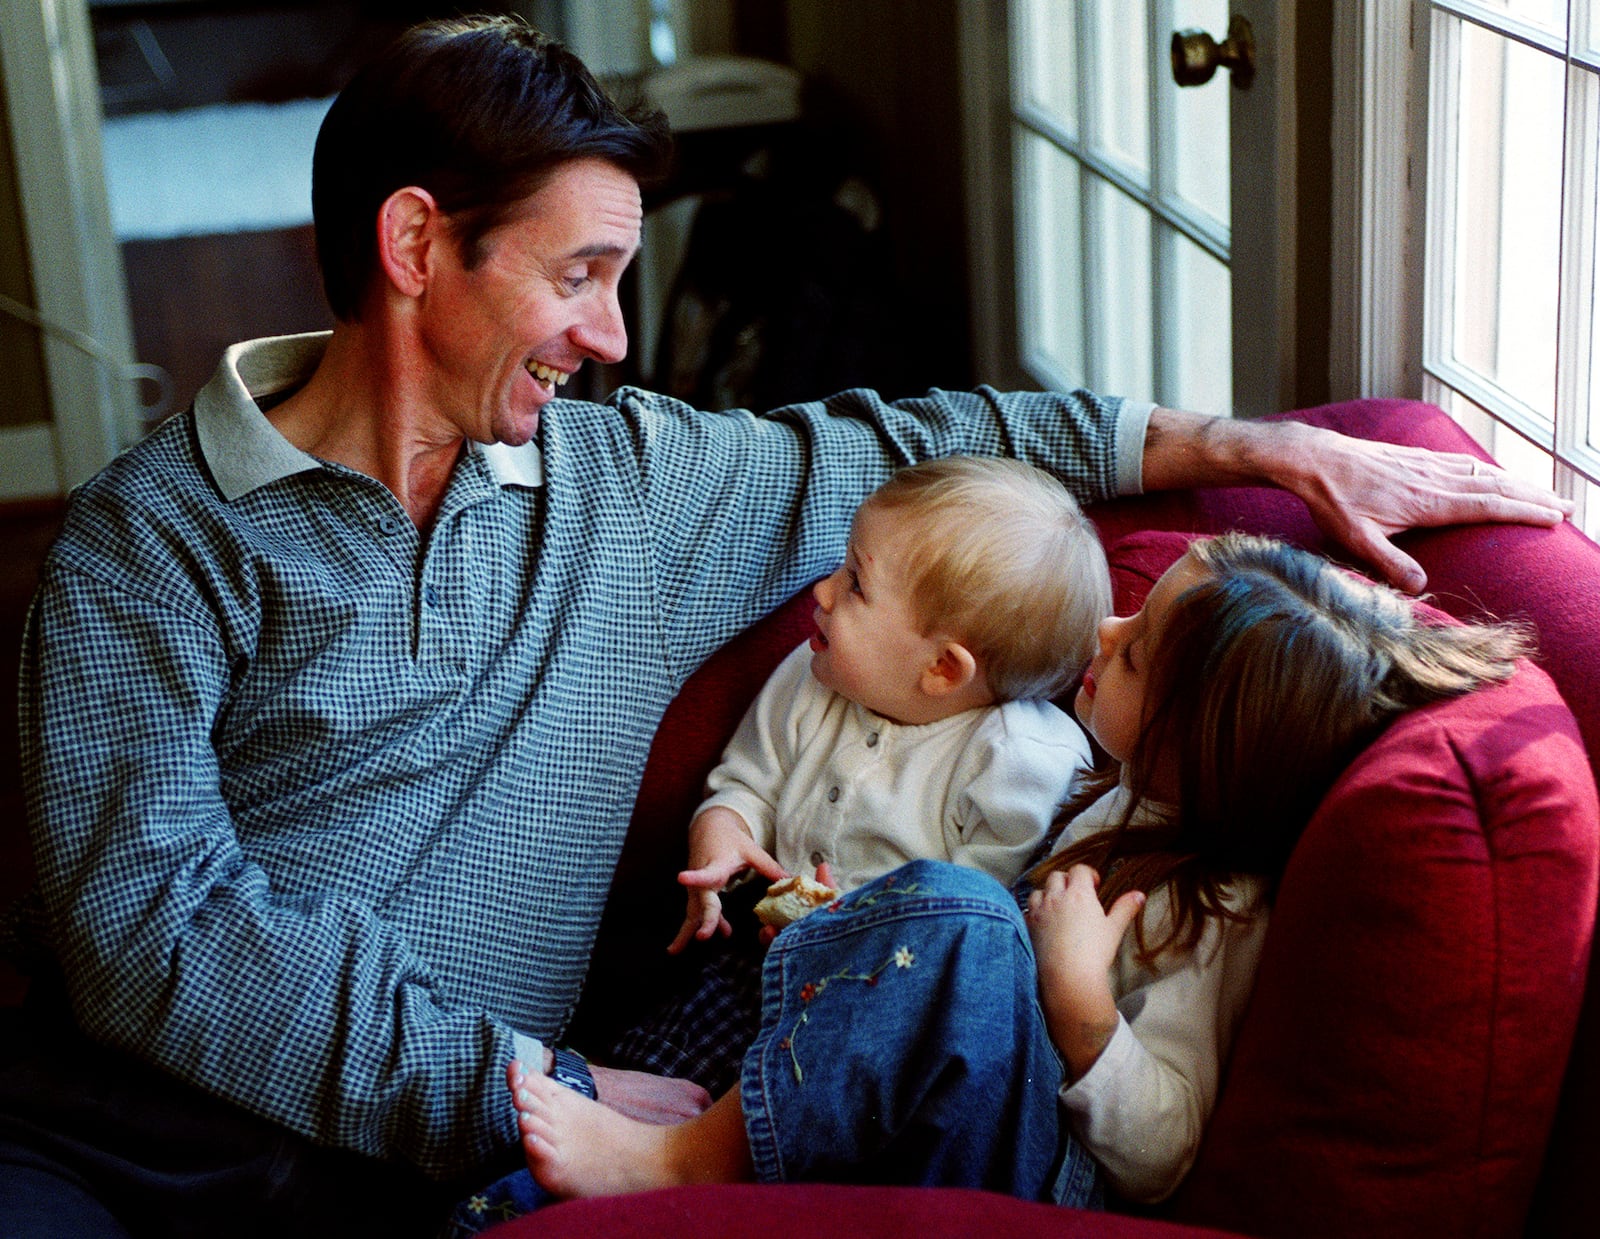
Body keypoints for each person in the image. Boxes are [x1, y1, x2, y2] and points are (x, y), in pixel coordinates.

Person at [0, 11, 1570, 1238]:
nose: (616, 336)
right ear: (417, 248)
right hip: (137, 1134)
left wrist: (1243, 446)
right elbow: (157, 934)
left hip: (445, 1177)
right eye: (584, 274)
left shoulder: (626, 483)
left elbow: (909, 442)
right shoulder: (149, 542)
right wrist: (518, 1080)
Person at [506, 533, 1529, 1206]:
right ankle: (662, 1118)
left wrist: (1080, 1002)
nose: (1102, 630)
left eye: (1130, 655)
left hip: (1047, 1184)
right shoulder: (1123, 795)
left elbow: (1164, 1148)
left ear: (1200, 742)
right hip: (953, 1108)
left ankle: (689, 1160)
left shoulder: (1218, 910)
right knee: (914, 921)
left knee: (963, 918)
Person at [608, 455, 1107, 1095]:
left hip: (889, 1014)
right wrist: (723, 833)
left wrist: (849, 927)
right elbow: (745, 785)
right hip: (753, 970)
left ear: (942, 670)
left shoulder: (1019, 763)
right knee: (642, 1073)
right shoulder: (816, 676)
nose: (821, 590)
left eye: (855, 584)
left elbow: (979, 935)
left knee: (789, 1121)